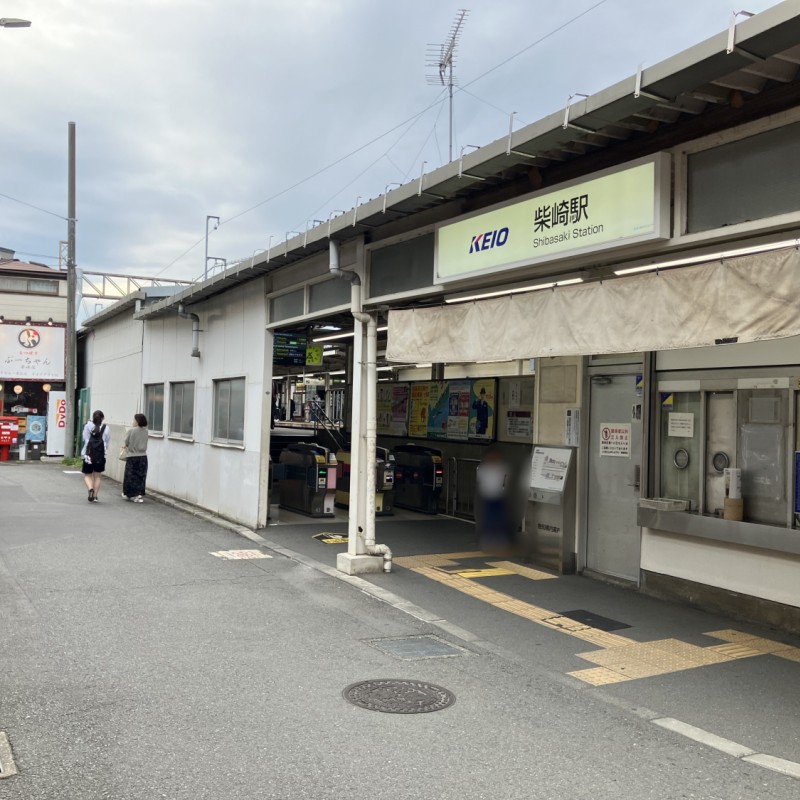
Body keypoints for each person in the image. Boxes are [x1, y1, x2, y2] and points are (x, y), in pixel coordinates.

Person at [81, 410, 111, 503]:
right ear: (103, 418)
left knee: (87, 475)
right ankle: (95, 496)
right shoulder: (106, 428)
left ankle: (90, 488)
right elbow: (107, 442)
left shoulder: (87, 426)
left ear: (93, 418)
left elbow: (85, 439)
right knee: (97, 476)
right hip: (100, 455)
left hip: (88, 455)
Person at [122, 413, 149, 503]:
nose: (133, 421)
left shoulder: (131, 431)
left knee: (130, 476)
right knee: (141, 476)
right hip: (143, 456)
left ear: (137, 421)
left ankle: (129, 494)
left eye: (134, 420)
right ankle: (139, 494)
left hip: (132, 456)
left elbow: (126, 442)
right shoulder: (146, 431)